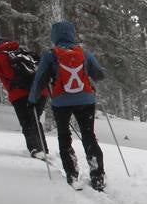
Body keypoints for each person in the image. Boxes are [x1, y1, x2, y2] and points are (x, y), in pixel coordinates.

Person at [29, 21, 107, 191]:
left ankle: (72, 176)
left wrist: (33, 99)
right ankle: (98, 177)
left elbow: (40, 79)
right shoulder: (83, 53)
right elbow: (100, 74)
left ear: (54, 36)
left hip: (61, 102)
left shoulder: (50, 55)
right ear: (72, 34)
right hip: (86, 101)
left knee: (64, 137)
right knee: (89, 136)